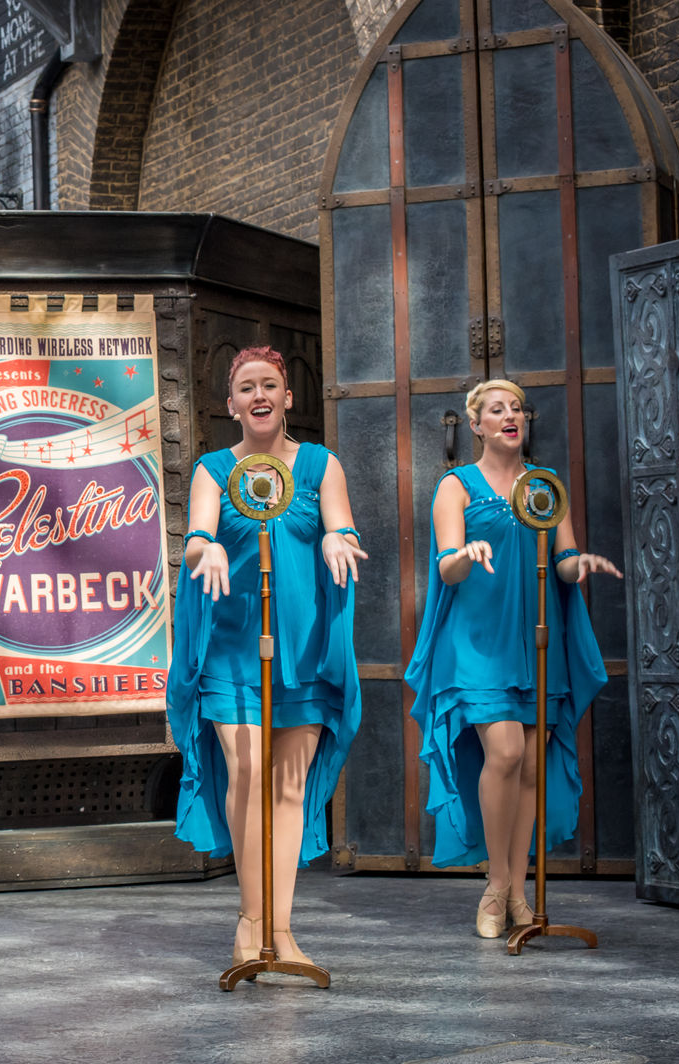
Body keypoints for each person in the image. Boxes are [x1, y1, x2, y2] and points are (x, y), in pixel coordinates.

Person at [167, 345, 366, 969]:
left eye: (270, 385)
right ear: (232, 405)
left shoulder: (321, 466)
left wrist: (337, 538)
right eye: (247, 387)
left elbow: (342, 527)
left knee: (288, 789)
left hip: (303, 651)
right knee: (248, 776)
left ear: (287, 398)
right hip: (231, 648)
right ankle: (249, 921)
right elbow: (197, 539)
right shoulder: (212, 470)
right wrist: (207, 550)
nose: (260, 394)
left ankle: (281, 931)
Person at [406, 379, 618, 938]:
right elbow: (447, 566)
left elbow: (564, 559)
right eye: (497, 409)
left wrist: (580, 564)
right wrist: (466, 553)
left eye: (517, 409)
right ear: (476, 425)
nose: (510, 416)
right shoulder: (456, 485)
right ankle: (495, 887)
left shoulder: (545, 484)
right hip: (477, 641)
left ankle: (520, 892)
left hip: (536, 640)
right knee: (503, 751)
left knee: (529, 766)